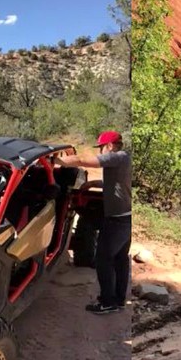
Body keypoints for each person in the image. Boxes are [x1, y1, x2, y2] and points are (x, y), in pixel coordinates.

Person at [55, 131, 131, 315]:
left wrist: (58, 162)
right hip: (126, 218)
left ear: (110, 146)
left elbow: (81, 160)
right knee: (120, 259)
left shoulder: (116, 157)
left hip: (117, 220)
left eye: (101, 148)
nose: (100, 152)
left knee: (103, 259)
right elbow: (117, 184)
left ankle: (107, 302)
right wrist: (95, 183)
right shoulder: (124, 159)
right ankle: (118, 300)